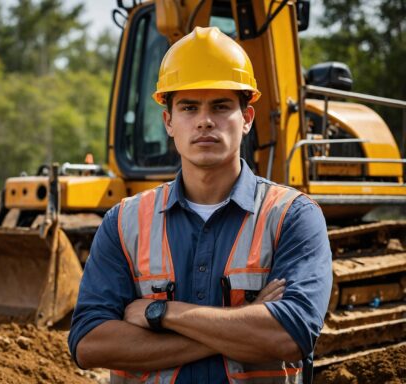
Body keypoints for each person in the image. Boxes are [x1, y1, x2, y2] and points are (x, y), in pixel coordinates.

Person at [68, 26, 332, 384]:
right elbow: (89, 344)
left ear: (248, 119)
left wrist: (161, 312)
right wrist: (245, 321)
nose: (205, 120)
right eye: (189, 107)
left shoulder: (292, 217)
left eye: (221, 106)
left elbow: (288, 335)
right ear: (169, 122)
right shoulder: (124, 222)